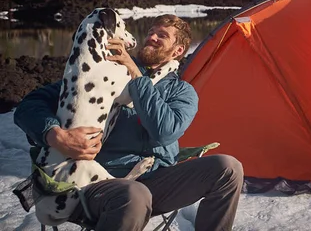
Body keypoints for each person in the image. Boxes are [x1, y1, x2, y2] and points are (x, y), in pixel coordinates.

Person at [14, 14, 244, 231]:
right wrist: (55, 135)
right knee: (134, 193)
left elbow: (164, 131)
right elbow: (28, 106)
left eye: (162, 35)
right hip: (96, 184)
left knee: (228, 168)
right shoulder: (105, 72)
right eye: (151, 32)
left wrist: (137, 77)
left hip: (156, 180)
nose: (151, 37)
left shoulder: (182, 92)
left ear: (178, 50)